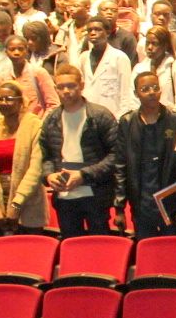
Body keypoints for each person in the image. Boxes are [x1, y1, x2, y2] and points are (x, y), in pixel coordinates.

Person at [40, 65, 119, 236]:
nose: (66, 91)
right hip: (64, 197)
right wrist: (49, 175)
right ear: (55, 89)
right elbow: (45, 156)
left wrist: (84, 174)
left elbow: (116, 155)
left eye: (71, 86)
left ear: (81, 85)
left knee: (100, 244)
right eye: (61, 87)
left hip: (96, 194)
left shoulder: (100, 115)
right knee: (70, 245)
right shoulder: (51, 119)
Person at [115, 71, 176, 239]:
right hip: (141, 201)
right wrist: (119, 207)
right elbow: (120, 165)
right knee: (146, 248)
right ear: (136, 93)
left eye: (155, 87)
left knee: (172, 248)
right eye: (145, 89)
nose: (152, 92)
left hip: (171, 202)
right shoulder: (127, 122)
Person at [0, 81, 46, 235]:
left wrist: (16, 204)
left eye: (9, 99)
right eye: (0, 99)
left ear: (21, 101)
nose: (3, 103)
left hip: (28, 201)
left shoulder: (34, 126)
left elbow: (36, 169)